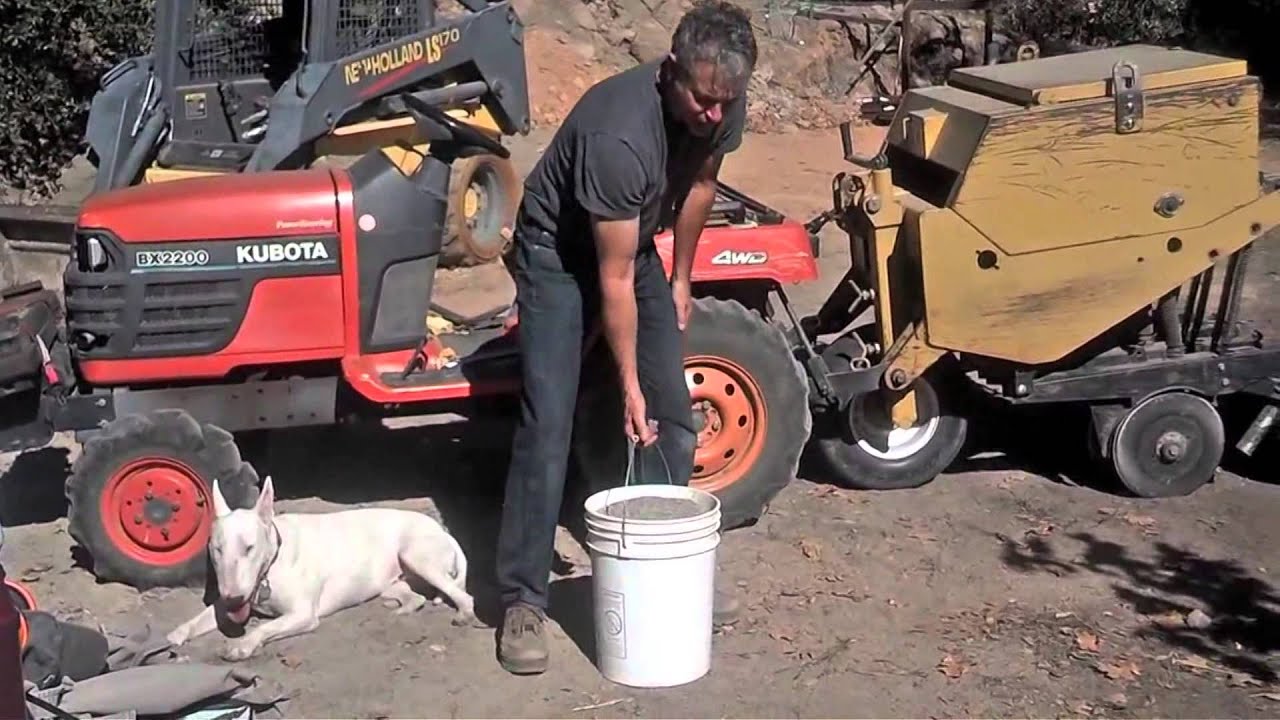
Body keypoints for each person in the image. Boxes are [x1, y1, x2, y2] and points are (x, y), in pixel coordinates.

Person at [492, 0, 758, 675]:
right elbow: (607, 280)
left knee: (674, 411)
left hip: (634, 248)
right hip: (560, 255)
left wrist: (680, 280)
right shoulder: (619, 136)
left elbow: (700, 186)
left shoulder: (723, 104)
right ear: (671, 72)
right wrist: (628, 385)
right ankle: (522, 596)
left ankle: (665, 565)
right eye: (704, 100)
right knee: (549, 419)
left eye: (727, 101)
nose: (715, 116)